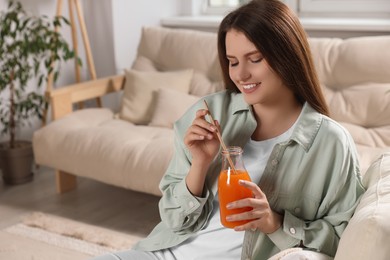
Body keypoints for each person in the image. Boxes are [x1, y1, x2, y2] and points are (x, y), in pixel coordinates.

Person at [93, 0, 365, 259]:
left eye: (255, 59)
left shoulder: (330, 143)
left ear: (287, 55)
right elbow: (173, 219)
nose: (240, 74)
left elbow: (343, 239)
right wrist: (199, 165)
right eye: (233, 62)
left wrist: (274, 222)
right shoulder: (210, 113)